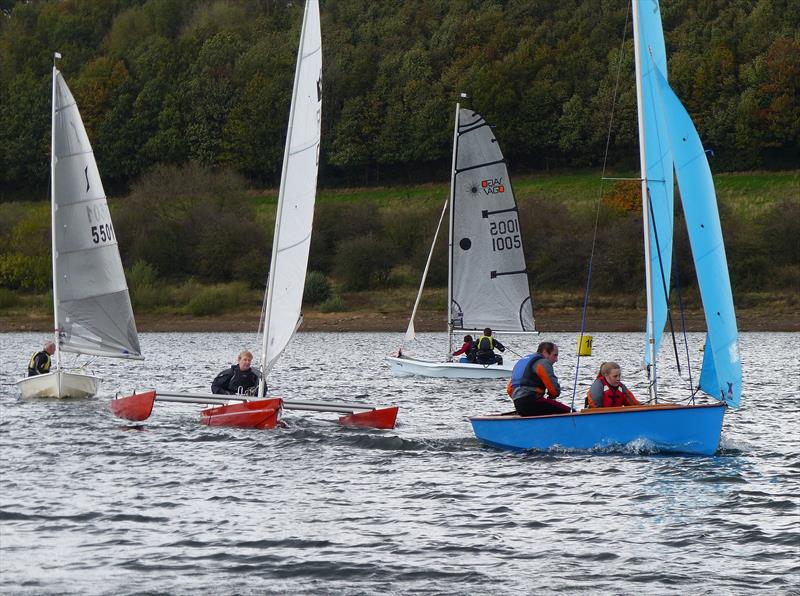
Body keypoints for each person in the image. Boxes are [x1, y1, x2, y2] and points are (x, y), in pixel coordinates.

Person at [509, 341, 572, 416]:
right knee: (571, 411)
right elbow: (554, 390)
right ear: (545, 352)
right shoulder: (543, 363)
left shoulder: (522, 362)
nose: (556, 359)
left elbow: (509, 389)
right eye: (554, 355)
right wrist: (552, 396)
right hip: (532, 402)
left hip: (518, 405)